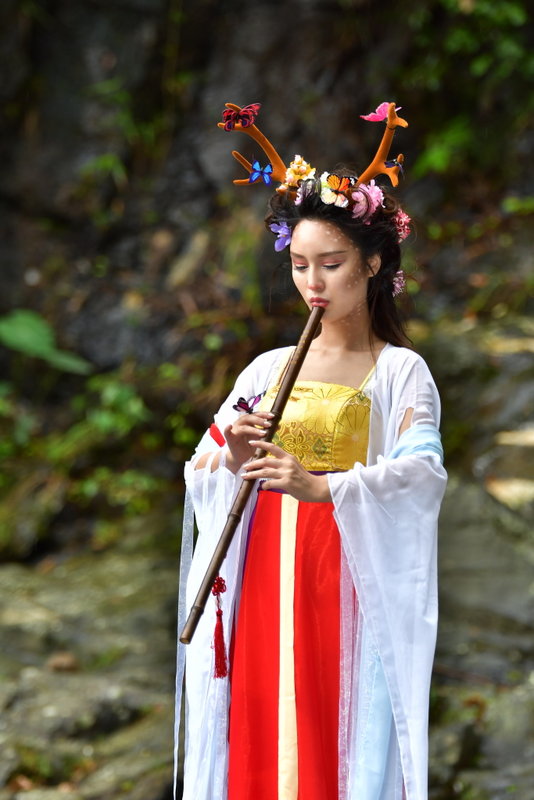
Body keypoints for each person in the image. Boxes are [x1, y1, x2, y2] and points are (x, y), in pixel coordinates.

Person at [175, 102, 447, 800]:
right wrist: (234, 451)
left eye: (331, 264)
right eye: (299, 265)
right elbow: (205, 467)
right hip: (266, 566)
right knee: (263, 716)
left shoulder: (400, 372)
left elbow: (421, 473)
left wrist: (323, 486)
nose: (313, 283)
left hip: (346, 569)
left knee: (335, 724)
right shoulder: (267, 369)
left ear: (373, 263)